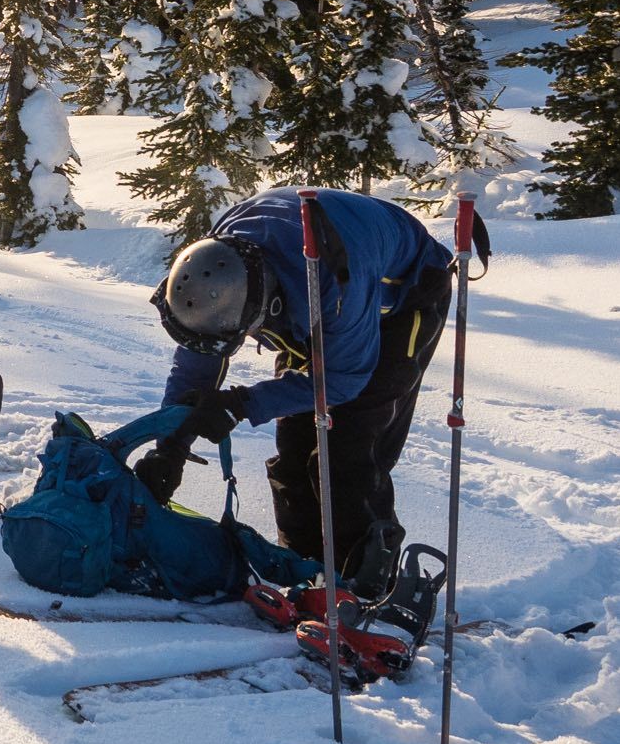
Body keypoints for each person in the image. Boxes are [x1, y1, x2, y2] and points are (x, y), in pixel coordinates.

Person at [138, 187, 454, 595]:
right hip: (305, 288)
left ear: (266, 309)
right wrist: (171, 444)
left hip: (400, 296)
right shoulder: (212, 273)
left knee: (348, 446)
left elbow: (344, 379)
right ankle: (305, 571)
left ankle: (366, 584)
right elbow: (196, 364)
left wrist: (241, 404)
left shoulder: (333, 284)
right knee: (294, 446)